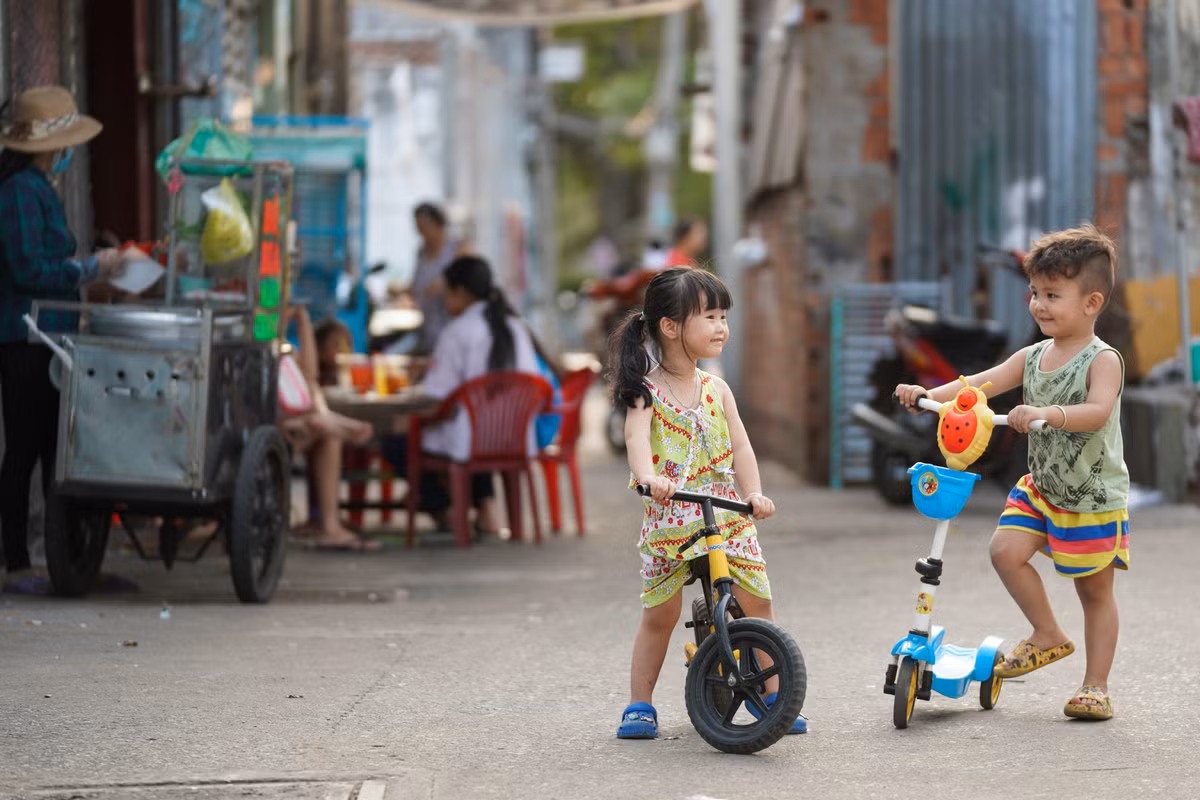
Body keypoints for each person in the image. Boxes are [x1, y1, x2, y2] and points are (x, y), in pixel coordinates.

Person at [895, 223, 1129, 721]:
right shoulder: (1032, 356)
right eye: (1034, 293)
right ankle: (1048, 633)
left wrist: (1047, 415)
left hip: (1091, 496)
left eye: (1052, 295)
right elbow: (979, 385)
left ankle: (1096, 686)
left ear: (1091, 303)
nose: (1039, 304)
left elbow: (1098, 411)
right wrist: (928, 397)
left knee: (1094, 591)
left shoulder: (1102, 359)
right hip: (1042, 489)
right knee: (1004, 551)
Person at [610, 267, 806, 738]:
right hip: (671, 515)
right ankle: (640, 704)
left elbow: (740, 446)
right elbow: (635, 439)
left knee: (757, 603)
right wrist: (649, 477)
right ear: (670, 326)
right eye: (711, 317)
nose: (722, 327)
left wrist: (753, 493)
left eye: (724, 316)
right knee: (660, 614)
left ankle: (775, 697)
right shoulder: (647, 391)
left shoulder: (717, 388)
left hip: (725, 513)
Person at [0, 87, 125, 594]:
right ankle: (15, 563)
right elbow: (30, 268)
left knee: (54, 449)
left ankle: (66, 561)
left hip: (48, 336)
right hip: (24, 337)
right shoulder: (19, 192)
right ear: (53, 145)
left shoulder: (35, 186)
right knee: (26, 449)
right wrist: (94, 268)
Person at [381, 255, 542, 535]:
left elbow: (436, 395)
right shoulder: (515, 327)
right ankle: (486, 511)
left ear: (461, 292)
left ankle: (446, 510)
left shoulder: (457, 331)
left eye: (447, 293)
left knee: (395, 442)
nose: (444, 301)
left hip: (473, 438)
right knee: (469, 428)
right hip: (515, 437)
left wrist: (413, 417)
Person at [279, 305, 380, 552]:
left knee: (329, 434)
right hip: (280, 428)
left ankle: (328, 524)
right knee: (322, 423)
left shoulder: (283, 351)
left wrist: (302, 321)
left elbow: (309, 377)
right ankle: (329, 525)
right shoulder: (260, 352)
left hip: (297, 423)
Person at [409, 202, 464, 355]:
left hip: (452, 328)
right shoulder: (421, 253)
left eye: (423, 227)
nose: (420, 233)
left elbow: (469, 281)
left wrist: (442, 286)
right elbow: (416, 285)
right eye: (418, 228)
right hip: (429, 329)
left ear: (437, 224)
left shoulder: (458, 248)